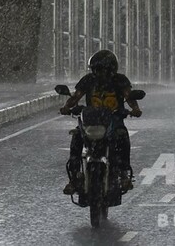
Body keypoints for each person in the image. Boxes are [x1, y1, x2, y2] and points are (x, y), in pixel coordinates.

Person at [59, 50, 142, 195]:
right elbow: (76, 97)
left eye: (104, 70)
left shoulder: (120, 80)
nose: (101, 73)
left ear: (112, 70)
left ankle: (124, 173)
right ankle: (74, 177)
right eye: (97, 70)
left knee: (122, 136)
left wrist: (135, 109)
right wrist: (67, 107)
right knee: (77, 137)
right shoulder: (88, 80)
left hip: (113, 120)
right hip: (90, 120)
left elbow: (129, 96)